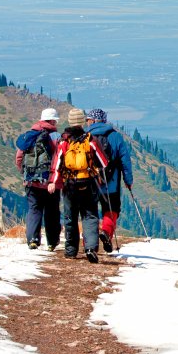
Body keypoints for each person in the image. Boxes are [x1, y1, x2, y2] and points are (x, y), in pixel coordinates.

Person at [47, 108, 108, 263]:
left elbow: (57, 164)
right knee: (90, 215)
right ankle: (90, 247)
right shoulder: (90, 140)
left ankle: (71, 250)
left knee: (70, 217)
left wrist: (53, 182)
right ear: (82, 122)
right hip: (88, 183)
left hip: (70, 185)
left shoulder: (64, 141)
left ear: (69, 121)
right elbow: (104, 162)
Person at [85, 108, 133, 253]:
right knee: (111, 210)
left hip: (90, 181)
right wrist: (128, 180)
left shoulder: (86, 136)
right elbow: (125, 160)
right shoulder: (115, 136)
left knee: (90, 213)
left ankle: (90, 244)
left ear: (92, 121)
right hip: (111, 182)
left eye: (88, 120)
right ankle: (106, 232)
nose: (87, 122)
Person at [14, 108, 61, 251]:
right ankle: (52, 242)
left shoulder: (30, 135)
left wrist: (25, 174)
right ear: (52, 121)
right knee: (52, 211)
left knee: (34, 209)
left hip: (31, 181)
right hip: (49, 182)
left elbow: (19, 157)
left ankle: (33, 240)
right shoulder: (56, 137)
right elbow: (59, 158)